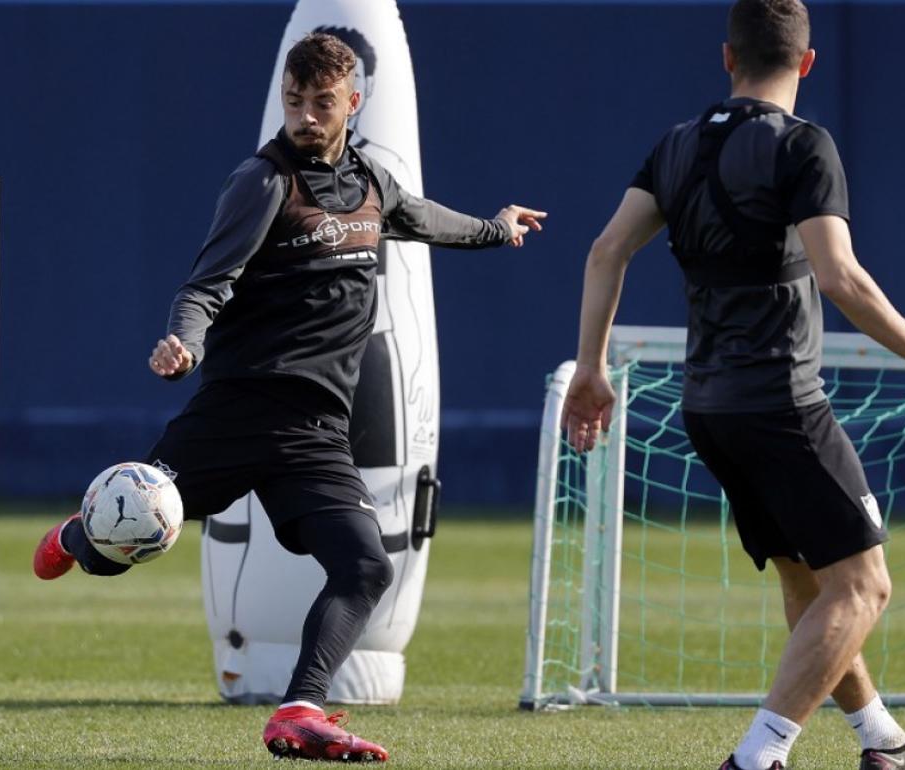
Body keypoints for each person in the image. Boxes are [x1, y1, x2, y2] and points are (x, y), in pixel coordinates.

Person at [33, 32, 545, 763]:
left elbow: (426, 219)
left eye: (322, 103)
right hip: (238, 413)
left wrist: (498, 229)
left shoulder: (372, 183)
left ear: (353, 103)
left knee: (367, 567)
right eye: (295, 101)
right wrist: (183, 343)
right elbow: (204, 286)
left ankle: (300, 710)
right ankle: (77, 536)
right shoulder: (263, 182)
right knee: (119, 549)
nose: (306, 116)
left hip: (315, 432)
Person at [560, 1, 905, 769]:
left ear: (728, 59)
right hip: (783, 405)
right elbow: (839, 276)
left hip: (709, 409)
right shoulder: (802, 145)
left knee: (813, 584)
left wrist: (590, 367)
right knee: (865, 588)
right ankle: (758, 758)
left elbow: (604, 252)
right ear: (809, 62)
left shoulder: (676, 145)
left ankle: (881, 744)